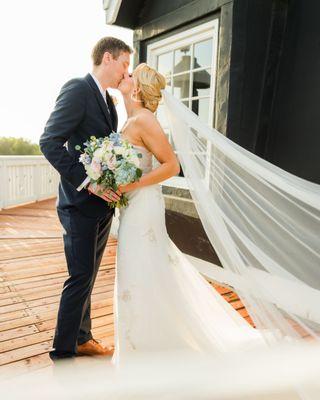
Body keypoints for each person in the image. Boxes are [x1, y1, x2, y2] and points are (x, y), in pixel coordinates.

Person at [112, 63, 263, 365]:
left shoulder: (145, 121)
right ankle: (136, 345)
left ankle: (151, 351)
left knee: (142, 265)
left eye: (130, 75)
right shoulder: (131, 119)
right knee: (138, 267)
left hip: (144, 206)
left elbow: (172, 166)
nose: (124, 76)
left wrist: (133, 184)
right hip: (132, 206)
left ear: (139, 87)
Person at [39, 37, 133, 360]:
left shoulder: (108, 101)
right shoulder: (78, 89)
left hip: (102, 206)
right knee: (79, 275)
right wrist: (87, 183)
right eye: (124, 64)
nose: (126, 72)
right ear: (108, 58)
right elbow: (49, 142)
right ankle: (62, 351)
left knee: (89, 275)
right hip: (79, 204)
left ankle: (82, 337)